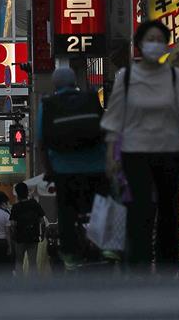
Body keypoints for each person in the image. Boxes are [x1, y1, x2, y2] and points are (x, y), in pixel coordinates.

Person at [102, 21, 179, 269]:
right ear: (140, 44)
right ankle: (139, 261)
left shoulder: (175, 77)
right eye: (150, 39)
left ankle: (169, 261)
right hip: (135, 151)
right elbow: (114, 118)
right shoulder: (126, 78)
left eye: (159, 40)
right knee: (140, 207)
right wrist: (111, 156)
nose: (154, 45)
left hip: (169, 150)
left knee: (169, 207)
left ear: (165, 45)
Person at [38, 65, 106, 269]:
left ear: (54, 84)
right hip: (95, 165)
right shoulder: (91, 99)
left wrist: (48, 169)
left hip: (63, 168)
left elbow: (41, 142)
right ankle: (104, 245)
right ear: (75, 81)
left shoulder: (47, 104)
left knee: (66, 211)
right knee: (99, 206)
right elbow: (105, 132)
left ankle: (70, 253)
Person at [8, 181, 44, 273]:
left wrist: (13, 237)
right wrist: (42, 234)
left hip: (19, 238)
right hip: (33, 237)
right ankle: (33, 283)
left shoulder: (15, 207)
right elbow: (42, 221)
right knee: (32, 262)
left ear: (17, 193)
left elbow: (12, 224)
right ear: (27, 192)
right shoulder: (34, 204)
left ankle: (20, 284)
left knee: (19, 262)